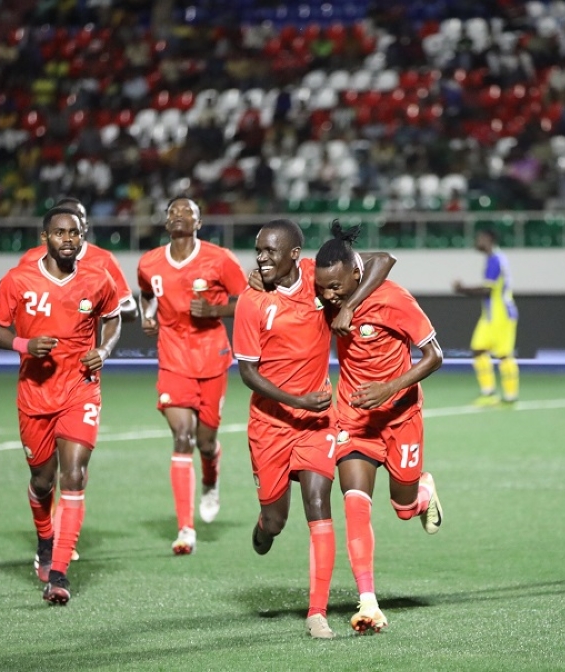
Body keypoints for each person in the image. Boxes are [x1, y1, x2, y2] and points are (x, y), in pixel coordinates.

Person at [232, 218, 394, 640]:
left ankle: (316, 613)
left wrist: (351, 304)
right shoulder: (251, 301)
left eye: (270, 251)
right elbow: (247, 372)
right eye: (258, 250)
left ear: (293, 255)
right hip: (270, 423)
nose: (261, 257)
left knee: (319, 501)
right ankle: (264, 526)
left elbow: (380, 260)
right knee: (275, 517)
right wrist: (295, 401)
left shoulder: (314, 277)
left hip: (318, 419)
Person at [0, 206, 122, 604]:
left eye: (74, 233)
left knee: (74, 475)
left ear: (83, 237)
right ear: (45, 236)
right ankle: (45, 540)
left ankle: (59, 572)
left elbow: (113, 318)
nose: (68, 239)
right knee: (43, 482)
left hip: (80, 389)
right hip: (35, 395)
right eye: (59, 232)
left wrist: (104, 349)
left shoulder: (98, 279)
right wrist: (24, 345)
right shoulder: (19, 279)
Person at [313, 222, 443, 634]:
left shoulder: (394, 299)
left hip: (401, 416)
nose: (329, 296)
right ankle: (368, 602)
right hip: (354, 419)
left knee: (403, 509)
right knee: (353, 501)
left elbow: (435, 356)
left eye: (336, 288)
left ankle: (423, 492)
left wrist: (388, 387)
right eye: (323, 289)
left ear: (356, 275)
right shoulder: (328, 291)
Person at [137, 197, 248, 555]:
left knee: (204, 441)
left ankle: (211, 477)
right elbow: (146, 295)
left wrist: (215, 308)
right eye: (173, 212)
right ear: (166, 222)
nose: (180, 216)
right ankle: (186, 529)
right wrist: (148, 316)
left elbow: (248, 302)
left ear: (199, 222)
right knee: (181, 436)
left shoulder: (220, 259)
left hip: (212, 357)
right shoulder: (149, 262)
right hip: (173, 359)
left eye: (188, 212)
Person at [18, 197, 138, 323]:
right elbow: (15, 308)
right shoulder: (32, 259)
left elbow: (130, 309)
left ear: (85, 226)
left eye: (78, 216)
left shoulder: (104, 260)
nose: (72, 220)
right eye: (66, 215)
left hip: (84, 342)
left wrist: (94, 306)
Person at [452, 227, 519, 405]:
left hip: (501, 314)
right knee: (478, 349)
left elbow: (487, 290)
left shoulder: (495, 260)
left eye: (480, 238)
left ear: (489, 240)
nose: (477, 242)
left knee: (504, 355)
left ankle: (511, 396)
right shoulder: (494, 259)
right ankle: (489, 393)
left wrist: (462, 289)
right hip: (491, 315)